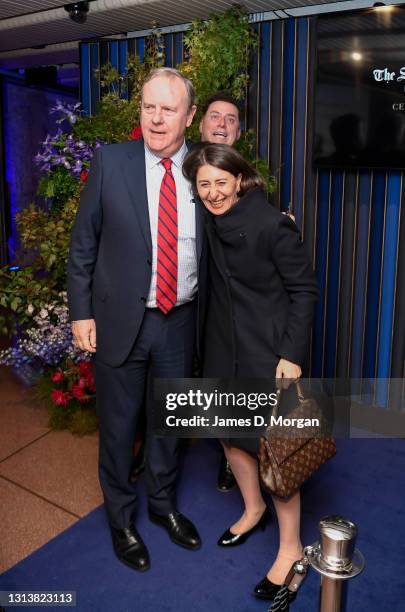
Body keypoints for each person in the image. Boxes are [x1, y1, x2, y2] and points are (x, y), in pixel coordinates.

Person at [67, 67, 208, 572]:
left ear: (189, 116)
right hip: (120, 321)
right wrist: (79, 312)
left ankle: (163, 505)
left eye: (168, 109)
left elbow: (234, 228)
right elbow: (83, 243)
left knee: (169, 424)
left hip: (181, 320)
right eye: (149, 106)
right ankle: (121, 519)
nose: (156, 117)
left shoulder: (205, 167)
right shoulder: (111, 163)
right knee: (119, 426)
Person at [182, 143, 318, 601]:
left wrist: (292, 354)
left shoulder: (273, 225)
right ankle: (252, 508)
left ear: (239, 180)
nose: (214, 192)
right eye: (204, 184)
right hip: (222, 346)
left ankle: (290, 549)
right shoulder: (205, 222)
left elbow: (304, 291)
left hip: (269, 352)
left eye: (222, 182)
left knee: (276, 450)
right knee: (229, 434)